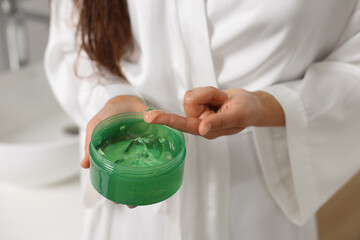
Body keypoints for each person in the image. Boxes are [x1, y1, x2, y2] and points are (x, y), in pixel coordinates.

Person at [44, 0, 360, 239]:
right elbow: (72, 37)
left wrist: (268, 106)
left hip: (257, 206)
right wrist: (112, 97)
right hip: (132, 220)